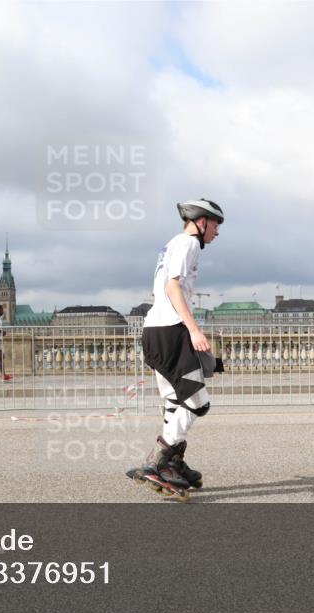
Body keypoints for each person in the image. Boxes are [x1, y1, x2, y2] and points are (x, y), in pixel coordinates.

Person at [127, 198, 223, 498]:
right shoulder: (189, 244)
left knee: (173, 402)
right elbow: (173, 287)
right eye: (216, 225)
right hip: (171, 331)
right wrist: (193, 330)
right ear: (202, 221)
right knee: (198, 403)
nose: (217, 233)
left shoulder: (170, 244)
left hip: (153, 331)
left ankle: (175, 464)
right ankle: (158, 462)